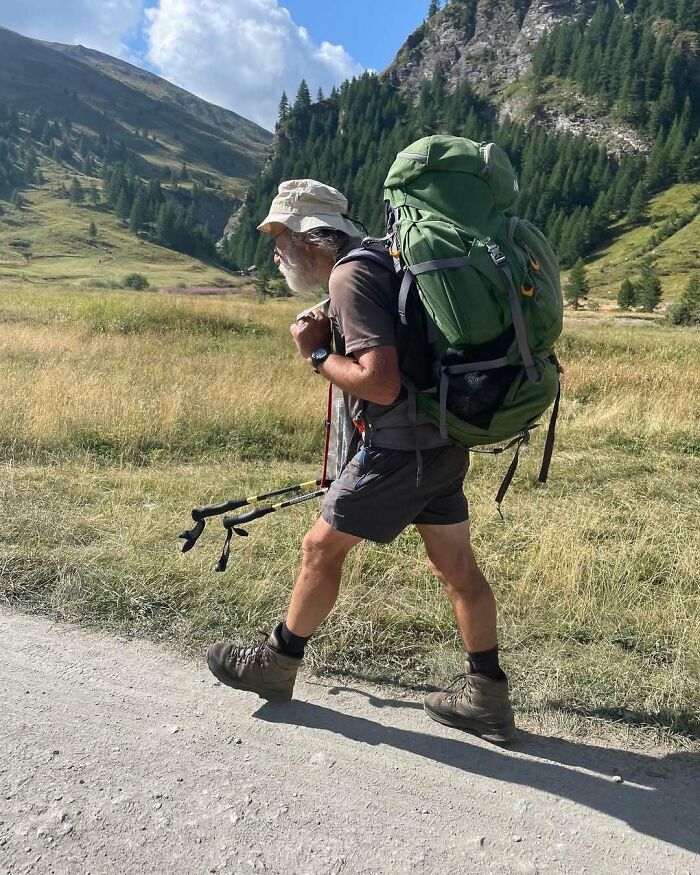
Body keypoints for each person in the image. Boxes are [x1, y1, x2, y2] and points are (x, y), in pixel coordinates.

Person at [207, 179, 515, 744]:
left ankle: (276, 664)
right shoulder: (387, 259)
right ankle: (487, 694)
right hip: (441, 442)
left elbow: (379, 383)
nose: (275, 252)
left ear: (310, 237)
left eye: (280, 238)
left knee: (319, 549)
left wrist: (317, 353)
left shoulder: (350, 276)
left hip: (397, 451)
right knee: (456, 566)